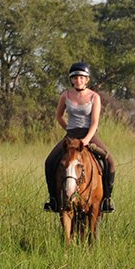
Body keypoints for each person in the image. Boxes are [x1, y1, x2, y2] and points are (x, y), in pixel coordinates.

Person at [44, 62, 116, 213]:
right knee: (50, 161)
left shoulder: (94, 97)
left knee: (110, 162)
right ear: (71, 80)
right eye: (75, 77)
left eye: (82, 77)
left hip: (89, 135)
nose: (79, 80)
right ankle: (53, 200)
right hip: (71, 135)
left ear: (87, 79)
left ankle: (107, 199)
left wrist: (86, 139)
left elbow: (95, 122)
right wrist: (68, 129)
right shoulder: (65, 95)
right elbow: (59, 116)